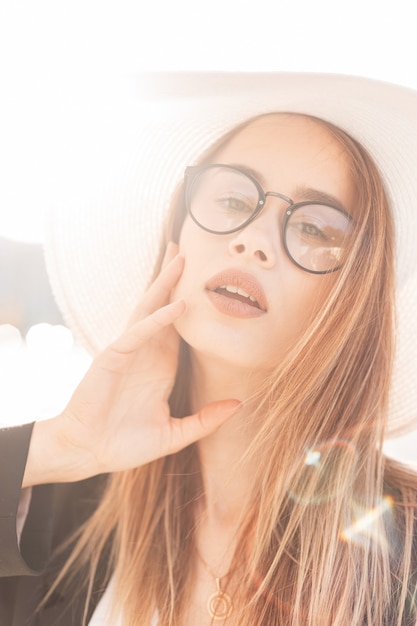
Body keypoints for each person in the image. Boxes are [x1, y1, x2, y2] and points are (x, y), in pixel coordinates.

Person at [1, 72, 417, 626]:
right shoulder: (56, 506)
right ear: (178, 235)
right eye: (233, 198)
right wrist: (56, 447)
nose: (254, 240)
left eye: (315, 229)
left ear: (351, 299)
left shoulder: (401, 551)